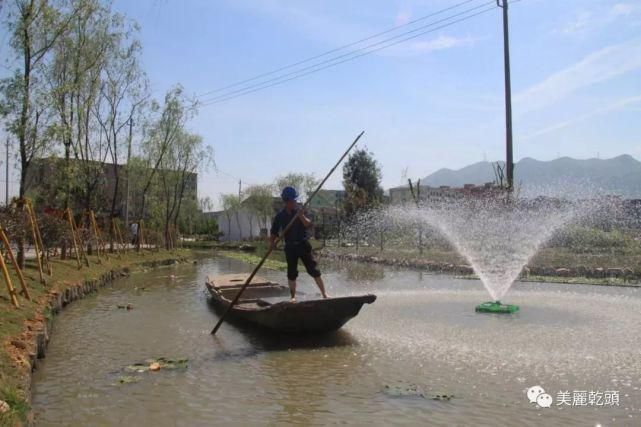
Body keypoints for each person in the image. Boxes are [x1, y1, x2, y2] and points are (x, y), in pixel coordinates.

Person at [270, 186, 328, 302]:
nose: (294, 203)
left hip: (303, 244)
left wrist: (301, 215)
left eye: (295, 200)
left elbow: (308, 225)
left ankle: (324, 294)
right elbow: (274, 232)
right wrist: (272, 244)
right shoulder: (280, 216)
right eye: (292, 201)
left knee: (313, 270)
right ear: (286, 201)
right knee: (292, 273)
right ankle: (293, 297)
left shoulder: (301, 211)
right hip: (290, 247)